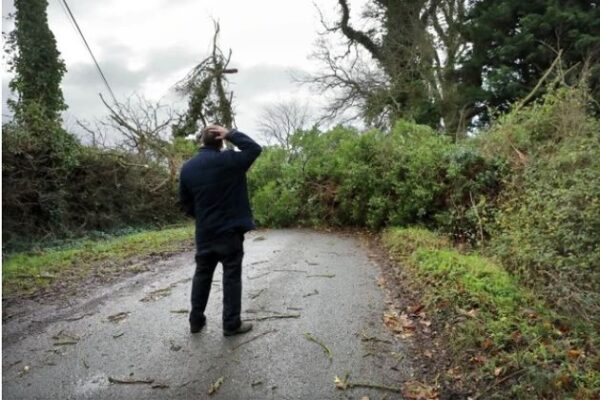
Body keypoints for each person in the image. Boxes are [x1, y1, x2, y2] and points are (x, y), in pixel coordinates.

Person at [178, 124, 262, 336]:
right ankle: (231, 324)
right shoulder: (231, 161)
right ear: (221, 140)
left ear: (202, 141)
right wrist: (232, 133)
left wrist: (202, 218)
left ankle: (196, 321)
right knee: (231, 276)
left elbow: (185, 204)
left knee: (202, 274)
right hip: (230, 231)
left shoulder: (187, 168)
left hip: (205, 231)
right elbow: (254, 149)